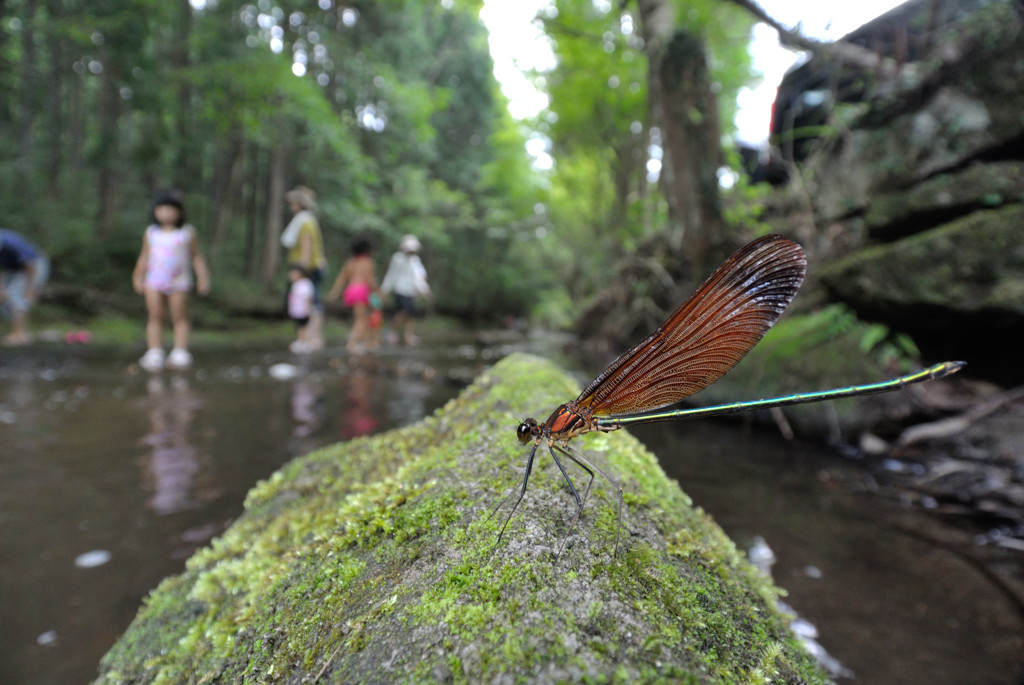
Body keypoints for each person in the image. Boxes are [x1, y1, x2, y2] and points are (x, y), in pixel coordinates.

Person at [132, 191, 210, 371]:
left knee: (180, 316)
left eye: (170, 209)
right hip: (154, 281)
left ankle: (180, 351)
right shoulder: (151, 232)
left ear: (179, 212)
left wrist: (203, 278)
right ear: (156, 211)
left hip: (179, 281)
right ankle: (154, 351)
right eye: (162, 209)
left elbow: (197, 257)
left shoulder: (187, 233)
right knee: (154, 316)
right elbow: (144, 256)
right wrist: (137, 275)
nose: (166, 213)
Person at [281, 186, 327, 351]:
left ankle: (309, 339)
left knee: (306, 304)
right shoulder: (308, 219)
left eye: (294, 203)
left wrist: (300, 270)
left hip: (307, 268)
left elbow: (306, 247)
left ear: (299, 204)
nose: (291, 206)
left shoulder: (305, 221)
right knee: (312, 303)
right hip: (311, 267)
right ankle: (311, 339)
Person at [327, 237, 379, 354]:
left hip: (350, 291)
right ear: (367, 250)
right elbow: (370, 281)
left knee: (362, 317)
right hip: (361, 291)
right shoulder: (368, 262)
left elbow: (341, 279)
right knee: (361, 319)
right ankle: (352, 344)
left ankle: (368, 343)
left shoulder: (349, 262)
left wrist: (334, 292)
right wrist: (378, 291)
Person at [0, 230, 49, 346]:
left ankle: (20, 334)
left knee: (17, 295)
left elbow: (30, 266)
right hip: (13, 269)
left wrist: (29, 289)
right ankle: (22, 332)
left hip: (35, 264)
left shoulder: (11, 244)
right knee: (5, 298)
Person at [380, 234, 430, 346]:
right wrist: (384, 290)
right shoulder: (397, 258)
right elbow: (391, 275)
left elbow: (419, 277)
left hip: (411, 291)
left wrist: (424, 289)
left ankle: (408, 335)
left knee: (411, 314)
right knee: (404, 312)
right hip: (400, 289)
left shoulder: (415, 260)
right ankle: (392, 331)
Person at [286, 264, 315, 354]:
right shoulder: (295, 284)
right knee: (300, 327)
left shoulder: (305, 283)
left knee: (302, 327)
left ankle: (302, 343)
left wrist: (308, 309)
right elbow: (293, 299)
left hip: (303, 310)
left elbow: (308, 297)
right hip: (297, 311)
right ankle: (304, 342)